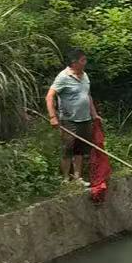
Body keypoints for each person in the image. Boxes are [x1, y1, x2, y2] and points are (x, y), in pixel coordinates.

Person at [45, 49, 99, 184]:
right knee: (68, 148)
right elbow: (49, 96)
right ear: (74, 63)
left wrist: (94, 114)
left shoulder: (85, 76)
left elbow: (88, 96)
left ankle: (78, 177)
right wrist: (53, 117)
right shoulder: (63, 77)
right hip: (69, 120)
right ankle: (65, 178)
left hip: (85, 119)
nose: (85, 63)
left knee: (79, 149)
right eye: (83, 60)